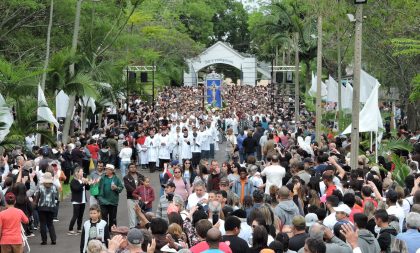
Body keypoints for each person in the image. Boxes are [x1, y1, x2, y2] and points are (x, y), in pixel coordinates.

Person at [97, 164, 124, 230]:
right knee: (104, 217)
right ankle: (105, 231)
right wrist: (99, 197)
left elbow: (121, 188)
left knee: (113, 218)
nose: (105, 170)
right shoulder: (103, 178)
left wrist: (116, 188)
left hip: (113, 201)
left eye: (107, 169)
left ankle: (112, 230)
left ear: (111, 171)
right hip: (103, 201)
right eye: (105, 169)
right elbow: (99, 187)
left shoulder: (116, 178)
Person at [36, 172, 58, 245]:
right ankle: (53, 239)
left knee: (43, 224)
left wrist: (36, 204)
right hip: (51, 207)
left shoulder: (40, 186)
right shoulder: (54, 187)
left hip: (42, 207)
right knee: (50, 224)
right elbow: (56, 197)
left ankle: (44, 240)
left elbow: (37, 197)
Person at [69, 167, 91, 235]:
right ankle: (70, 228)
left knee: (81, 215)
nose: (82, 173)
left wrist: (87, 183)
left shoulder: (82, 180)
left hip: (83, 200)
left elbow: (88, 188)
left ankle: (79, 228)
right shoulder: (73, 181)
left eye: (82, 171)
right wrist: (84, 183)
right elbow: (77, 189)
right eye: (81, 171)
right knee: (75, 215)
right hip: (76, 200)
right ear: (76, 173)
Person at [123, 163, 145, 228]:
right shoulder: (126, 178)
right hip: (131, 198)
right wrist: (137, 192)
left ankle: (140, 228)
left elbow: (144, 185)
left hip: (140, 199)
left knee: (139, 214)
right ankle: (132, 228)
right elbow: (128, 187)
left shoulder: (141, 176)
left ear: (136, 168)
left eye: (134, 167)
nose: (133, 168)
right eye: (131, 167)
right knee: (132, 215)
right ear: (128, 169)